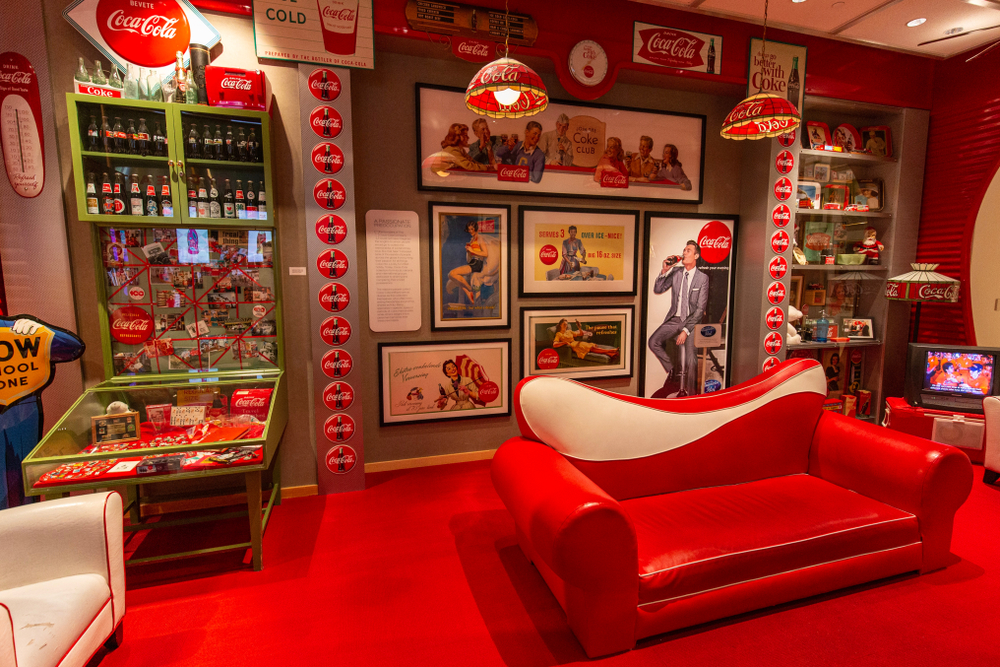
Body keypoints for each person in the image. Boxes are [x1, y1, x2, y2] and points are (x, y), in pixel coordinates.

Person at [0, 317, 85, 509]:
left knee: (22, 490)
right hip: (19, 413)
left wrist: (41, 329)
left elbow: (73, 347)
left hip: (20, 418)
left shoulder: (11, 329)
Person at [647, 241, 708, 396]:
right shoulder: (677, 272)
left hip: (691, 322)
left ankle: (691, 395)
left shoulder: (702, 278)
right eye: (684, 250)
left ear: (696, 256)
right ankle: (673, 370)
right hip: (675, 319)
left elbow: (700, 310)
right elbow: (658, 289)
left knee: (691, 359)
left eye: (688, 250)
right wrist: (664, 270)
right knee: (653, 342)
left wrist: (686, 330)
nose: (684, 253)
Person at [425, 123, 494, 173]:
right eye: (464, 135)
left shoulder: (460, 149)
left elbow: (471, 160)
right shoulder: (452, 151)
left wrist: (485, 166)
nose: (468, 138)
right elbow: (468, 165)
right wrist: (486, 168)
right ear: (457, 137)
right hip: (440, 176)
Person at [447, 220, 489, 303]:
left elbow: (485, 253)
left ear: (475, 229)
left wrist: (472, 250)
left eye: (472, 229)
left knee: (452, 273)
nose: (470, 231)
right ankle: (468, 290)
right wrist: (469, 252)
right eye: (469, 229)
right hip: (472, 262)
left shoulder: (480, 238)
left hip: (477, 263)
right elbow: (470, 257)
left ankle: (469, 289)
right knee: (452, 276)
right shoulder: (472, 239)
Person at [553, 319, 618, 361]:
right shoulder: (558, 334)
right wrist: (564, 343)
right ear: (560, 325)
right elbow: (554, 344)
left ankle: (610, 354)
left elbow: (581, 334)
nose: (565, 326)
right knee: (591, 348)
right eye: (564, 324)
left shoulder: (569, 331)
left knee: (592, 347)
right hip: (572, 346)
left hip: (576, 343)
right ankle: (611, 350)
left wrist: (579, 327)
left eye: (566, 324)